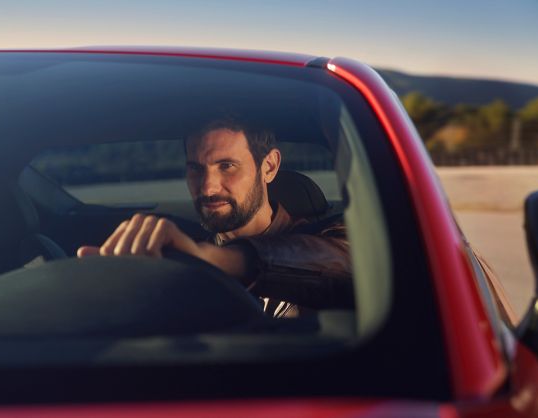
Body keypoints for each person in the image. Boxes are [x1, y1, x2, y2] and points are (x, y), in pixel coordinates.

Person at [77, 119, 353, 317]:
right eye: (196, 169)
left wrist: (215, 261)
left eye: (227, 166)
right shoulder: (183, 255)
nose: (208, 188)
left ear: (268, 167)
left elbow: (344, 265)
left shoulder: (331, 239)